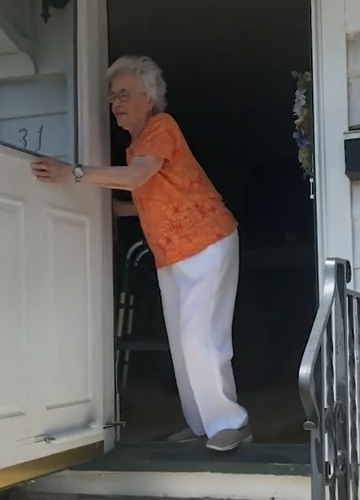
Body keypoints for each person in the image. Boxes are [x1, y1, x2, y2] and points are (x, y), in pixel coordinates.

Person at [30, 55, 251, 452]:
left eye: (124, 94)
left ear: (148, 98)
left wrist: (74, 173)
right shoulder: (138, 146)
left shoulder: (161, 128)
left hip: (206, 240)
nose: (116, 103)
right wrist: (93, 208)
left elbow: (136, 179)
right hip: (171, 252)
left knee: (200, 338)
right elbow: (148, 199)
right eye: (113, 96)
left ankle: (232, 422)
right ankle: (202, 424)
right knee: (183, 344)